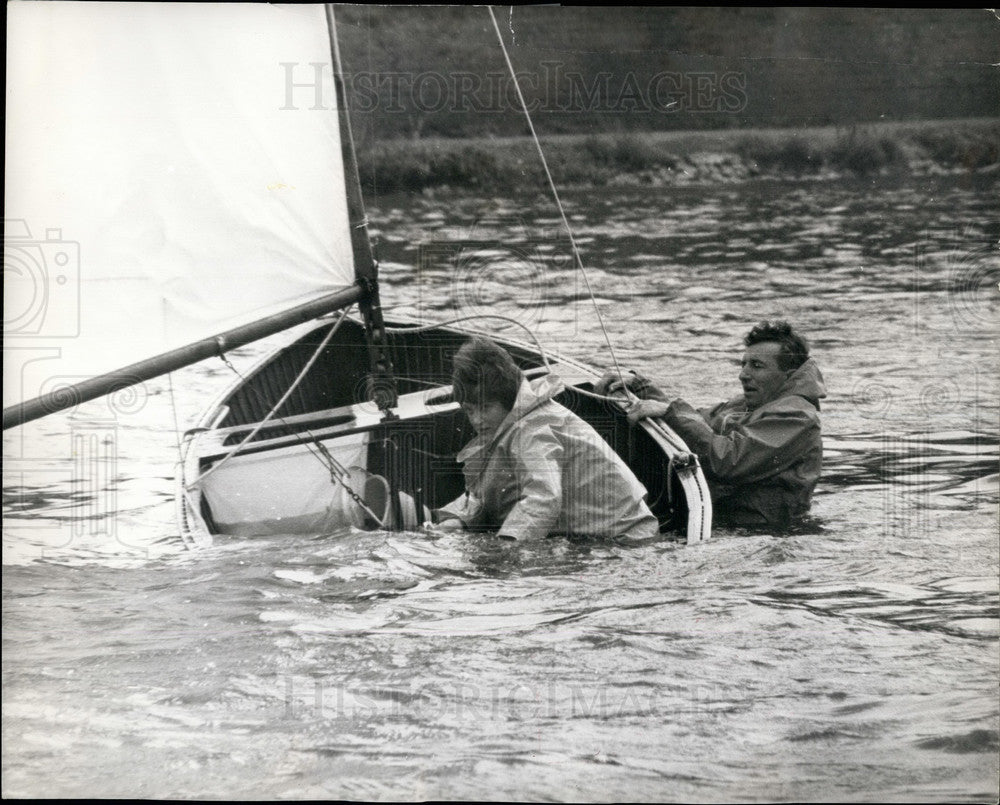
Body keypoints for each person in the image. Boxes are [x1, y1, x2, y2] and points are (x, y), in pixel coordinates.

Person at [598, 320, 825, 529]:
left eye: (756, 365)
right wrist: (641, 388)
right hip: (721, 520)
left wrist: (669, 413)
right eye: (743, 364)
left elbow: (727, 460)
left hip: (760, 531)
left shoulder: (797, 418)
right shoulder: (750, 404)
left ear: (788, 375)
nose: (742, 375)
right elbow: (697, 422)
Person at [433, 336, 659, 542]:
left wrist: (506, 548)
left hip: (625, 539)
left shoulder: (534, 429)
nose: (477, 419)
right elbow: (490, 489)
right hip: (592, 534)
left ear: (507, 398)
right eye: (470, 410)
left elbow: (544, 497)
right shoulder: (511, 422)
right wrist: (459, 519)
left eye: (486, 408)